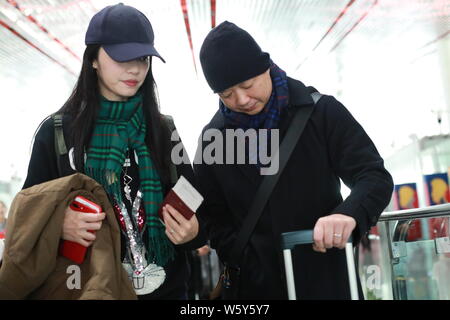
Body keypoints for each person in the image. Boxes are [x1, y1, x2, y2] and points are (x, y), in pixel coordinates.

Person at [193, 21, 394, 299]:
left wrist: (348, 213)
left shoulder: (321, 113)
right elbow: (211, 214)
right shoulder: (212, 139)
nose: (241, 99)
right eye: (226, 94)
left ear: (264, 66)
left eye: (247, 85)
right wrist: (243, 255)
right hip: (254, 289)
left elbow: (373, 176)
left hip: (326, 280)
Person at [22, 3, 204, 299]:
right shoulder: (58, 134)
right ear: (93, 58)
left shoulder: (163, 131)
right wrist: (58, 225)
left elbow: (197, 209)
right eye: (123, 58)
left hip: (167, 290)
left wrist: (193, 232)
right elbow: (28, 217)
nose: (135, 68)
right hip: (89, 289)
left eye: (143, 58)